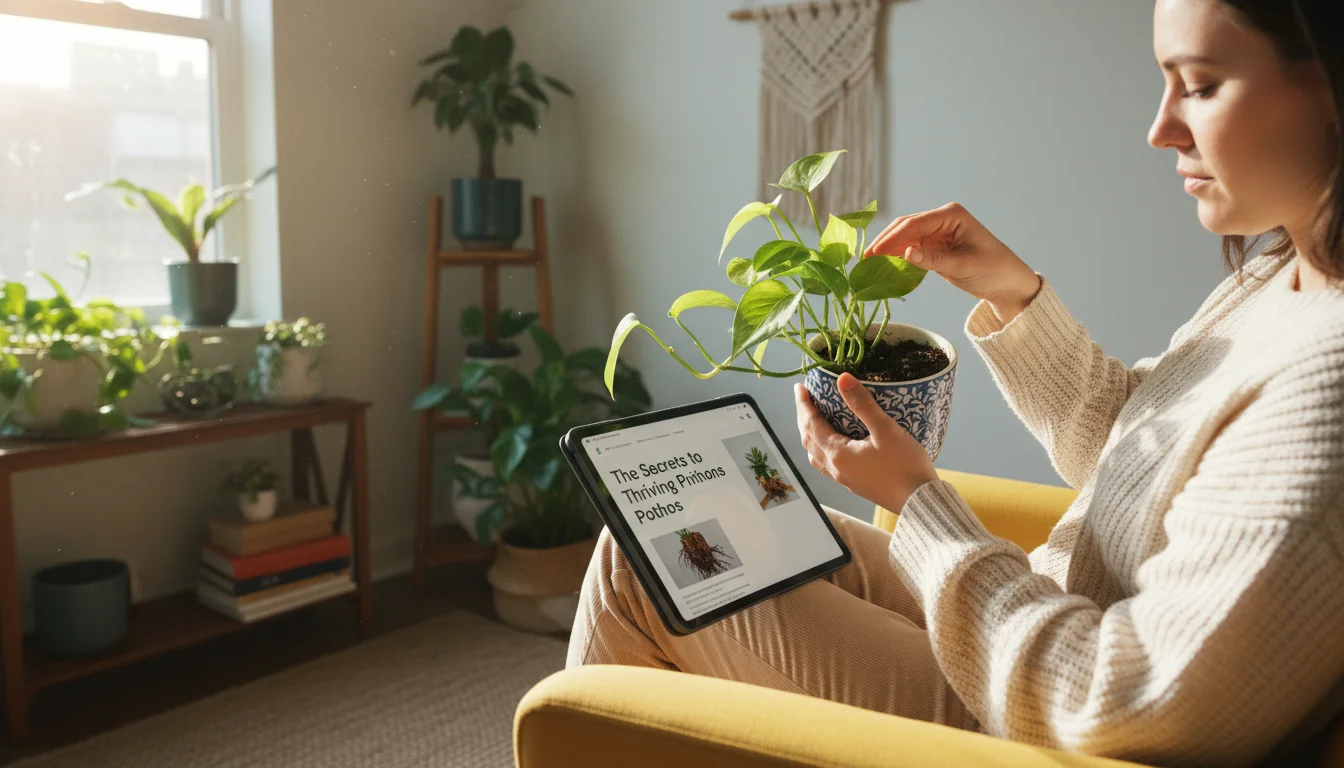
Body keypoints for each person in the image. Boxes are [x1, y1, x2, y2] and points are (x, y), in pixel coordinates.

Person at [567, 1, 1344, 765]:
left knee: (646, 567)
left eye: (1200, 85)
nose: (1161, 127)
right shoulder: (1283, 277)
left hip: (1035, 714)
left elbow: (1120, 703)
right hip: (1037, 621)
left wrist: (917, 500)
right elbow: (1145, 458)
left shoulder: (1326, 390)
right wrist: (1015, 296)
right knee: (675, 531)